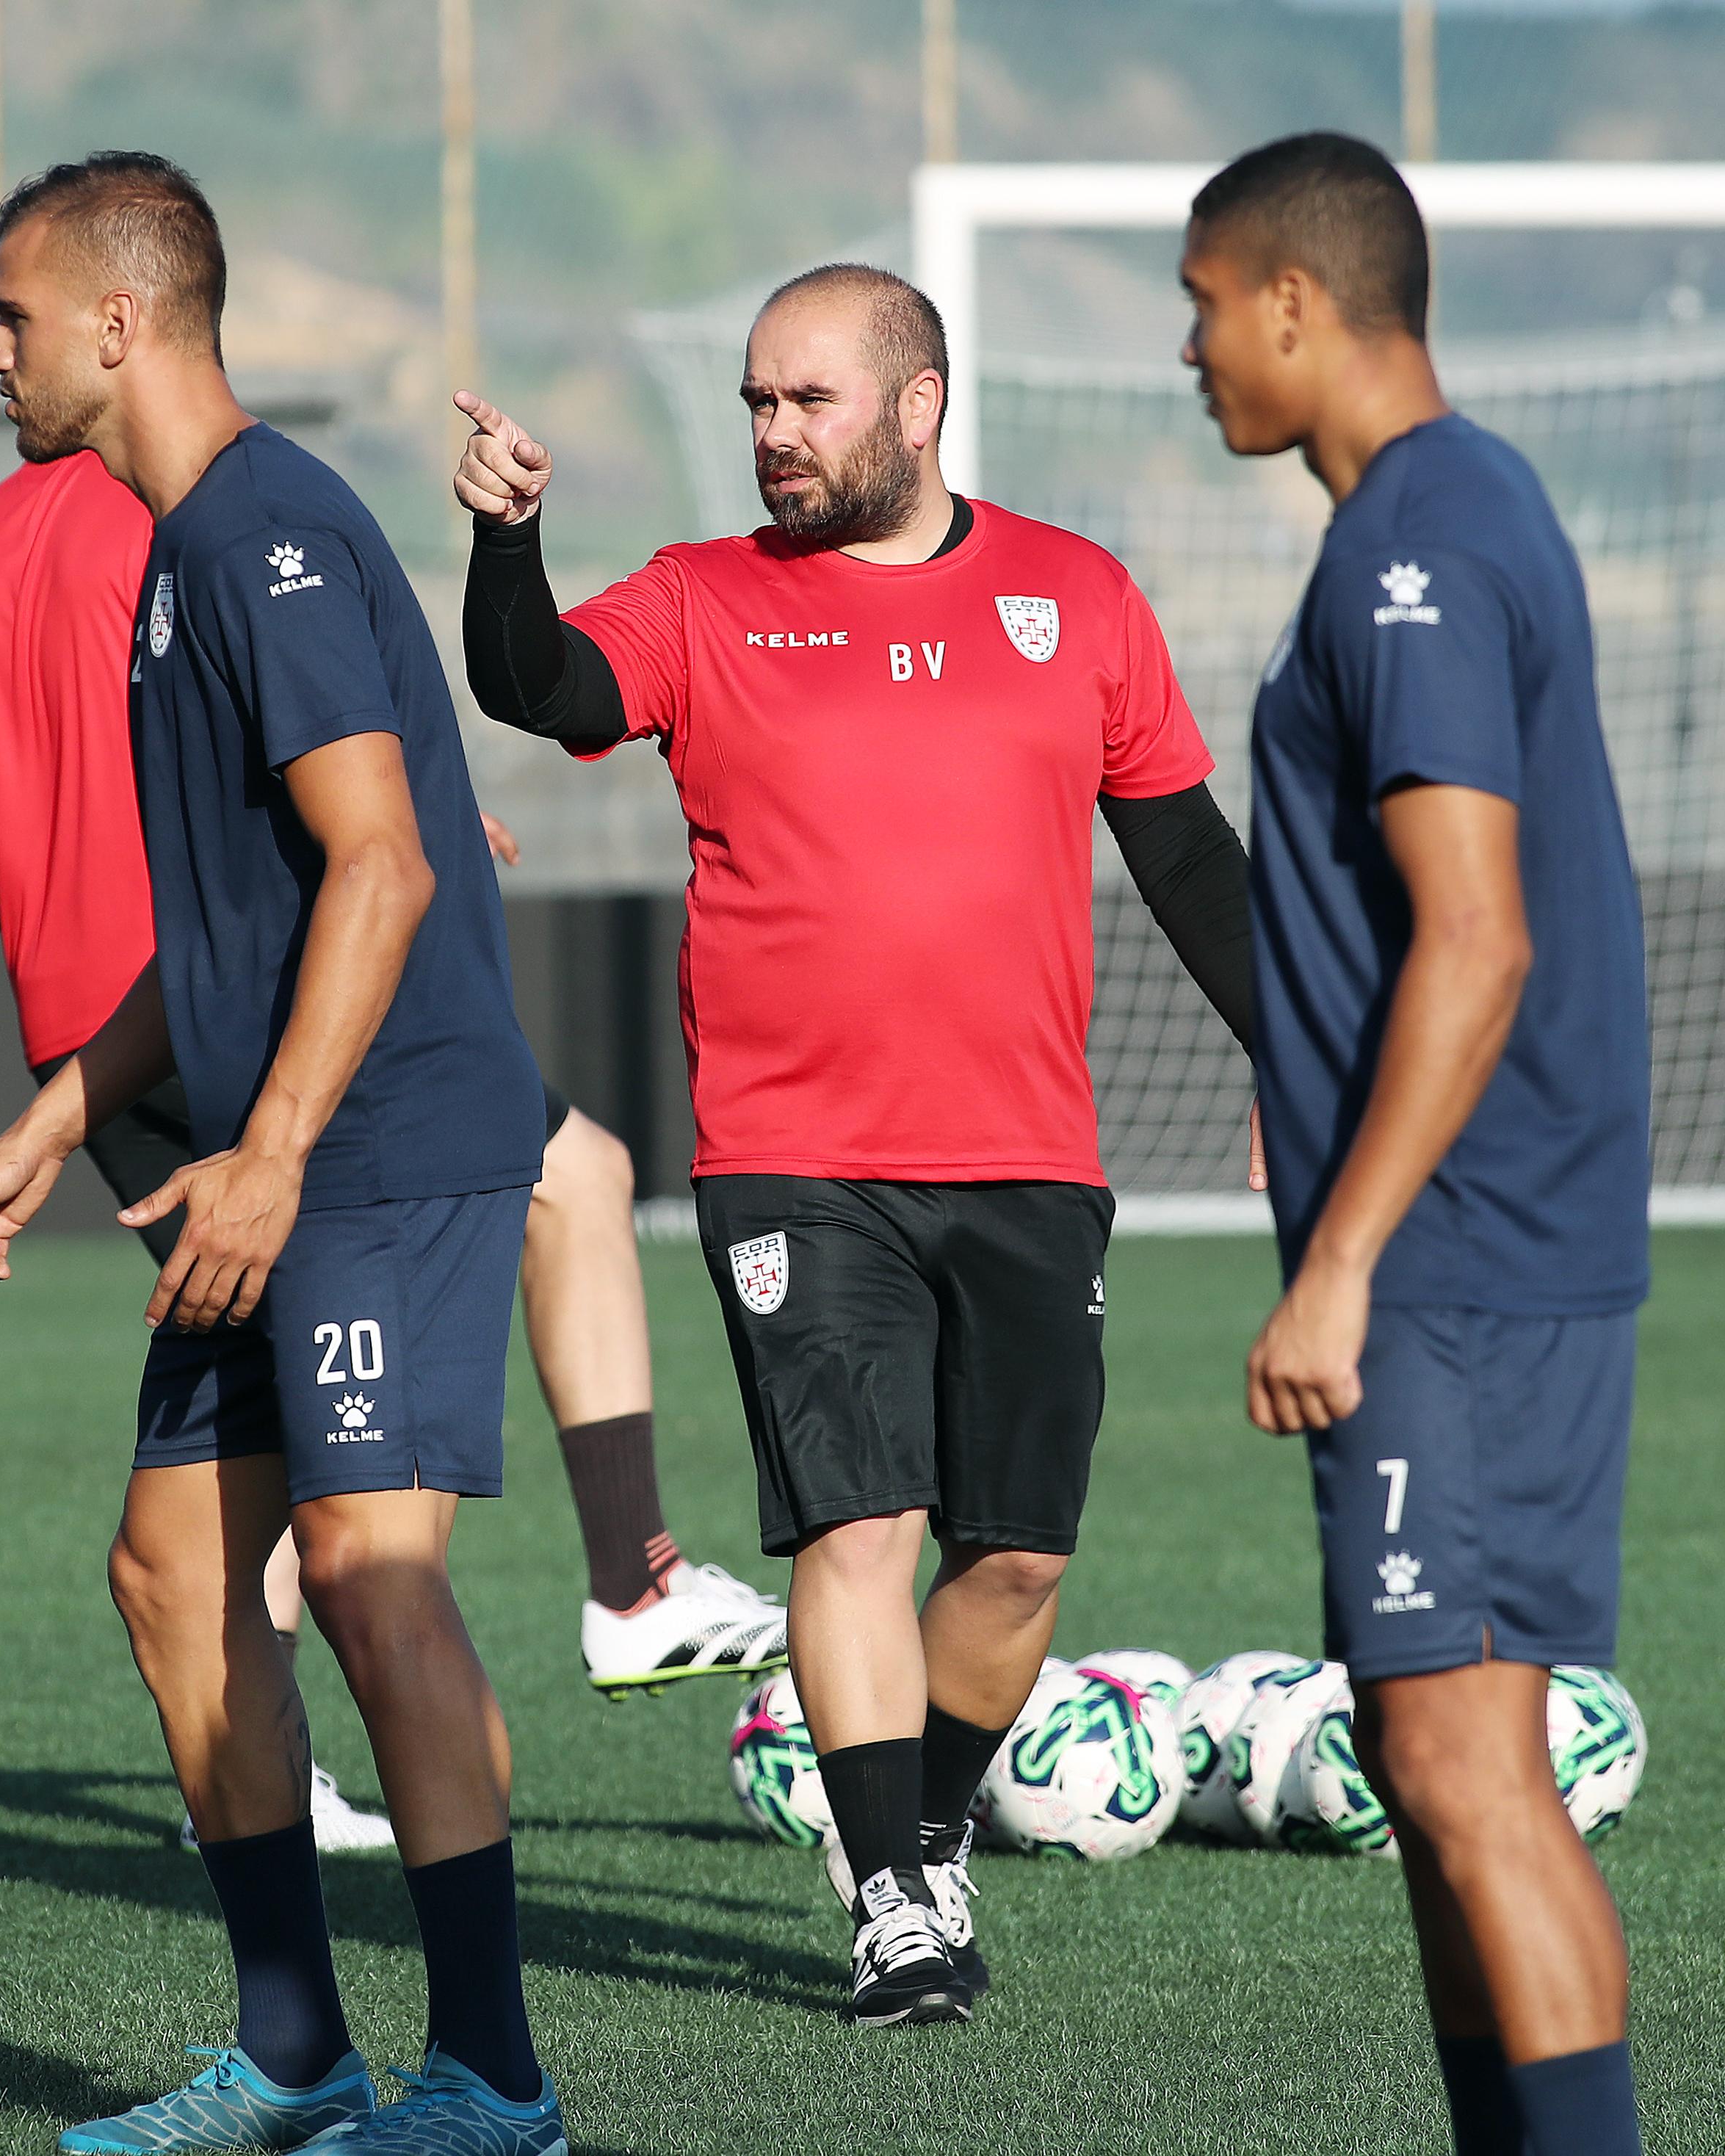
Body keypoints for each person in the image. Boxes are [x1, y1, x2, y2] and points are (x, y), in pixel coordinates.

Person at [452, 264, 1257, 2027]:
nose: (770, 436)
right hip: (795, 1157)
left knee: (1021, 1555)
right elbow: (543, 690)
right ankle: (894, 1896)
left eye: (806, 402)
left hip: (1031, 1152)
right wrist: (508, 543)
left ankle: (929, 1825)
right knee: (859, 1522)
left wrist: (1299, 1058)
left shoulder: (1078, 596)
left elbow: (1192, 860)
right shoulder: (702, 599)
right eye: (755, 402)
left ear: (917, 404)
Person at [0, 152, 565, 2155]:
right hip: (265, 1150)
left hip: (374, 1147)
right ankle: (297, 2056)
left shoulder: (271, 536)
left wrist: (272, 1152)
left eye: (12, 312)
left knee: (372, 1576)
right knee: (172, 1577)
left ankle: (494, 2084)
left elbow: (380, 864)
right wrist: (51, 1124)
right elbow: (223, 941)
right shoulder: (173, 554)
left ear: (118, 323)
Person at [0, 474, 783, 1718]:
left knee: (256, 1394)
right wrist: (397, 823)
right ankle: (636, 1583)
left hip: (82, 1036)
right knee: (572, 1184)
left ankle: (250, 1771)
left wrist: (56, 897)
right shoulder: (197, 521)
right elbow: (293, 750)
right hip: (239, 997)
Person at [1185, 134, 1649, 2156]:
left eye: (1204, 303)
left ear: (1294, 300)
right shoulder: (1448, 509)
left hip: (1453, 1264)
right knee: (1435, 1751)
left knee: (1466, 1775)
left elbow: (1477, 932)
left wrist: (1345, 1259)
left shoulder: (1417, 544)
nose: (1191, 349)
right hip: (1479, 1250)